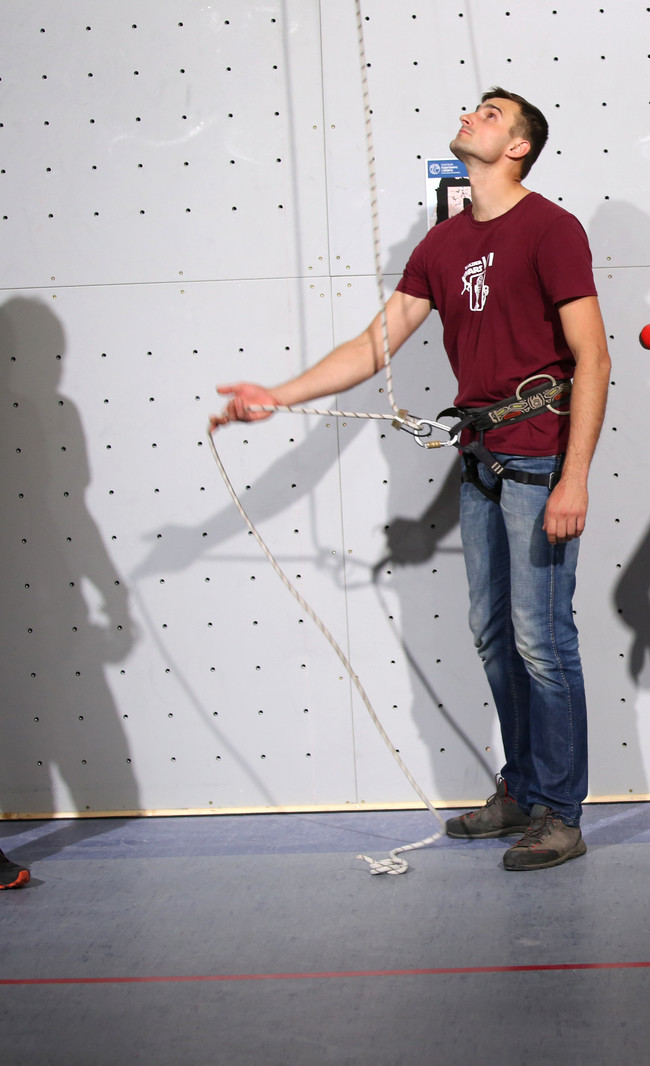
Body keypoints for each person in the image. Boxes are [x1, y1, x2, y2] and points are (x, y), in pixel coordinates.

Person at [214, 88, 609, 872]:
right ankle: (524, 790)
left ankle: (561, 815)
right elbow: (374, 345)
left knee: (542, 640)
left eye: (491, 114)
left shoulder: (551, 229)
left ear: (520, 147)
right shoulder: (443, 244)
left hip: (539, 458)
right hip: (482, 460)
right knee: (494, 636)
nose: (471, 116)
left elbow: (593, 357)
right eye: (474, 109)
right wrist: (278, 396)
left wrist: (575, 478)